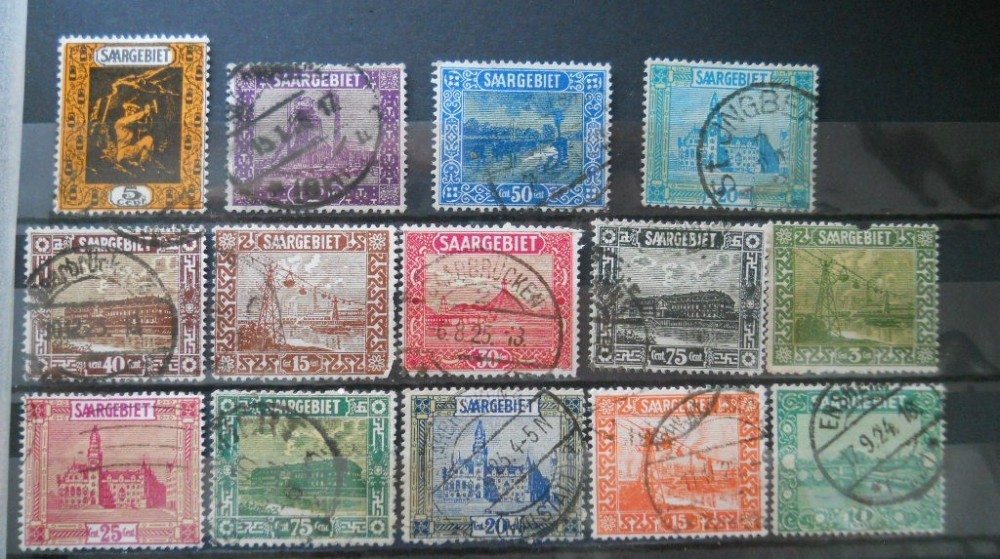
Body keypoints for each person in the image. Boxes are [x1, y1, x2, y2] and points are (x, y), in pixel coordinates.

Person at [114, 101, 155, 167]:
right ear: (125, 111)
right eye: (128, 110)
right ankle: (129, 163)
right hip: (123, 151)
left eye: (133, 111)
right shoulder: (120, 122)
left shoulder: (134, 124)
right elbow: (131, 119)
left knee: (149, 139)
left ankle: (142, 164)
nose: (130, 112)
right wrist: (144, 112)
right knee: (122, 157)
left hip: (134, 149)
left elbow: (146, 126)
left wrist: (148, 116)